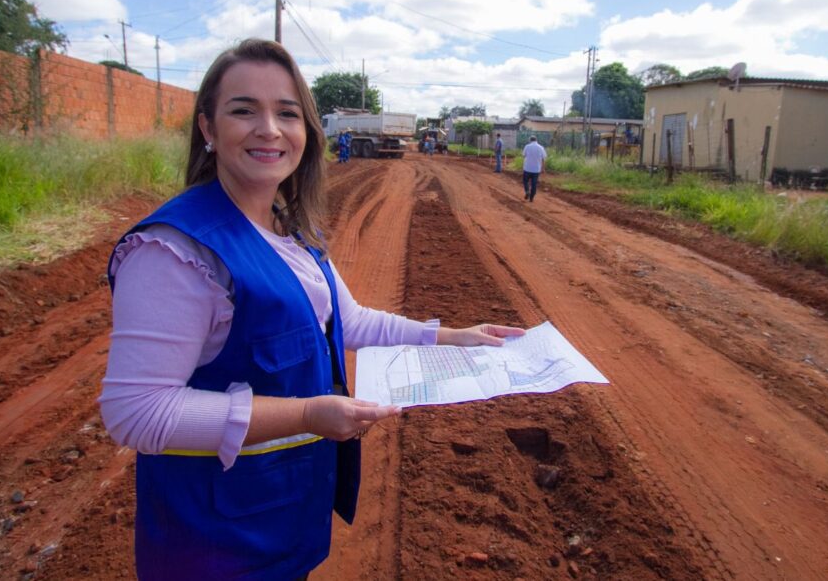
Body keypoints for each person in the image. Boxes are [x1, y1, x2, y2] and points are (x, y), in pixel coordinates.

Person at [100, 39, 524, 580]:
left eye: (287, 113)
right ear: (207, 129)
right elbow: (136, 411)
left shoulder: (289, 232)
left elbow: (351, 321)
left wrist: (455, 336)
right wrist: (307, 414)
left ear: (307, 131)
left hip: (280, 521)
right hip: (212, 546)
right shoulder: (176, 250)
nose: (269, 129)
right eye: (243, 110)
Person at [521, 135, 547, 202]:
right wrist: (543, 168)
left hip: (527, 168)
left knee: (525, 181)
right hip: (536, 169)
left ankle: (527, 191)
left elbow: (524, 155)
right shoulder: (541, 148)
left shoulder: (527, 146)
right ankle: (531, 198)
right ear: (536, 140)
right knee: (534, 184)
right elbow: (543, 159)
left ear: (530, 140)